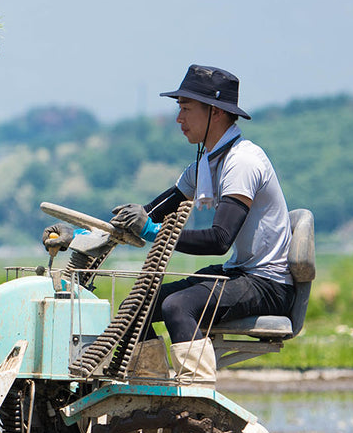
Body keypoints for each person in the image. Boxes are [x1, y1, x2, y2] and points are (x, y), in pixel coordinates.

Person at [44, 64, 294, 381]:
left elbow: (220, 240)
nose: (179, 118)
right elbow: (146, 215)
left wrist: (151, 231)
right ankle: (149, 383)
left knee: (178, 306)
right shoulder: (205, 165)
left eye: (186, 108)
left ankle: (197, 390)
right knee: (140, 305)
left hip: (268, 283)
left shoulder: (242, 162)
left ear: (216, 112)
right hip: (239, 273)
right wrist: (80, 236)